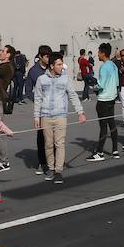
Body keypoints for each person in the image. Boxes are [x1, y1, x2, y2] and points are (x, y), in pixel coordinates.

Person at [33, 54, 84, 183]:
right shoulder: (41, 79)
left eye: (62, 64)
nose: (62, 67)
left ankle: (58, 171)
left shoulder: (65, 79)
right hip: (45, 116)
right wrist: (36, 116)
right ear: (51, 66)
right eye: (59, 64)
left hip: (61, 115)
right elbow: (38, 98)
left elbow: (72, 95)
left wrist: (80, 112)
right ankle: (50, 168)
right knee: (48, 144)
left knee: (59, 144)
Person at [86, 42, 120, 161]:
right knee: (112, 125)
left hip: (103, 100)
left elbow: (100, 84)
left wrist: (93, 88)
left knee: (103, 127)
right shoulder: (114, 65)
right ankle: (115, 150)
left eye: (99, 52)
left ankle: (99, 153)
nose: (98, 54)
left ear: (103, 53)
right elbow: (116, 83)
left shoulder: (104, 67)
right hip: (111, 99)